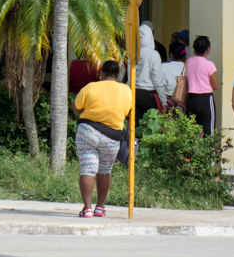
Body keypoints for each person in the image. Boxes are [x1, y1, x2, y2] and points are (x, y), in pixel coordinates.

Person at [71, 60, 130, 218]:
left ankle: (87, 209)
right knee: (105, 170)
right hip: (112, 136)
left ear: (101, 73)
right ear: (118, 75)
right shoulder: (126, 90)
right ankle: (100, 207)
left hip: (88, 131)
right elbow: (128, 111)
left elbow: (76, 107)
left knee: (87, 169)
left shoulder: (91, 87)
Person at [184, 35, 221, 135]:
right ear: (208, 49)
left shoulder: (189, 61)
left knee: (190, 133)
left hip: (191, 98)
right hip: (205, 100)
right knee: (209, 132)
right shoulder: (209, 64)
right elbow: (216, 86)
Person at [134, 22, 167, 123]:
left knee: (135, 126)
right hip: (148, 94)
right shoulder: (153, 54)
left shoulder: (132, 53)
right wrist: (163, 101)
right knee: (151, 125)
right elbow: (157, 80)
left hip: (133, 92)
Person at [161, 42, 188, 109]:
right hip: (183, 103)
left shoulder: (164, 66)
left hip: (167, 103)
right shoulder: (187, 68)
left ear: (171, 55)